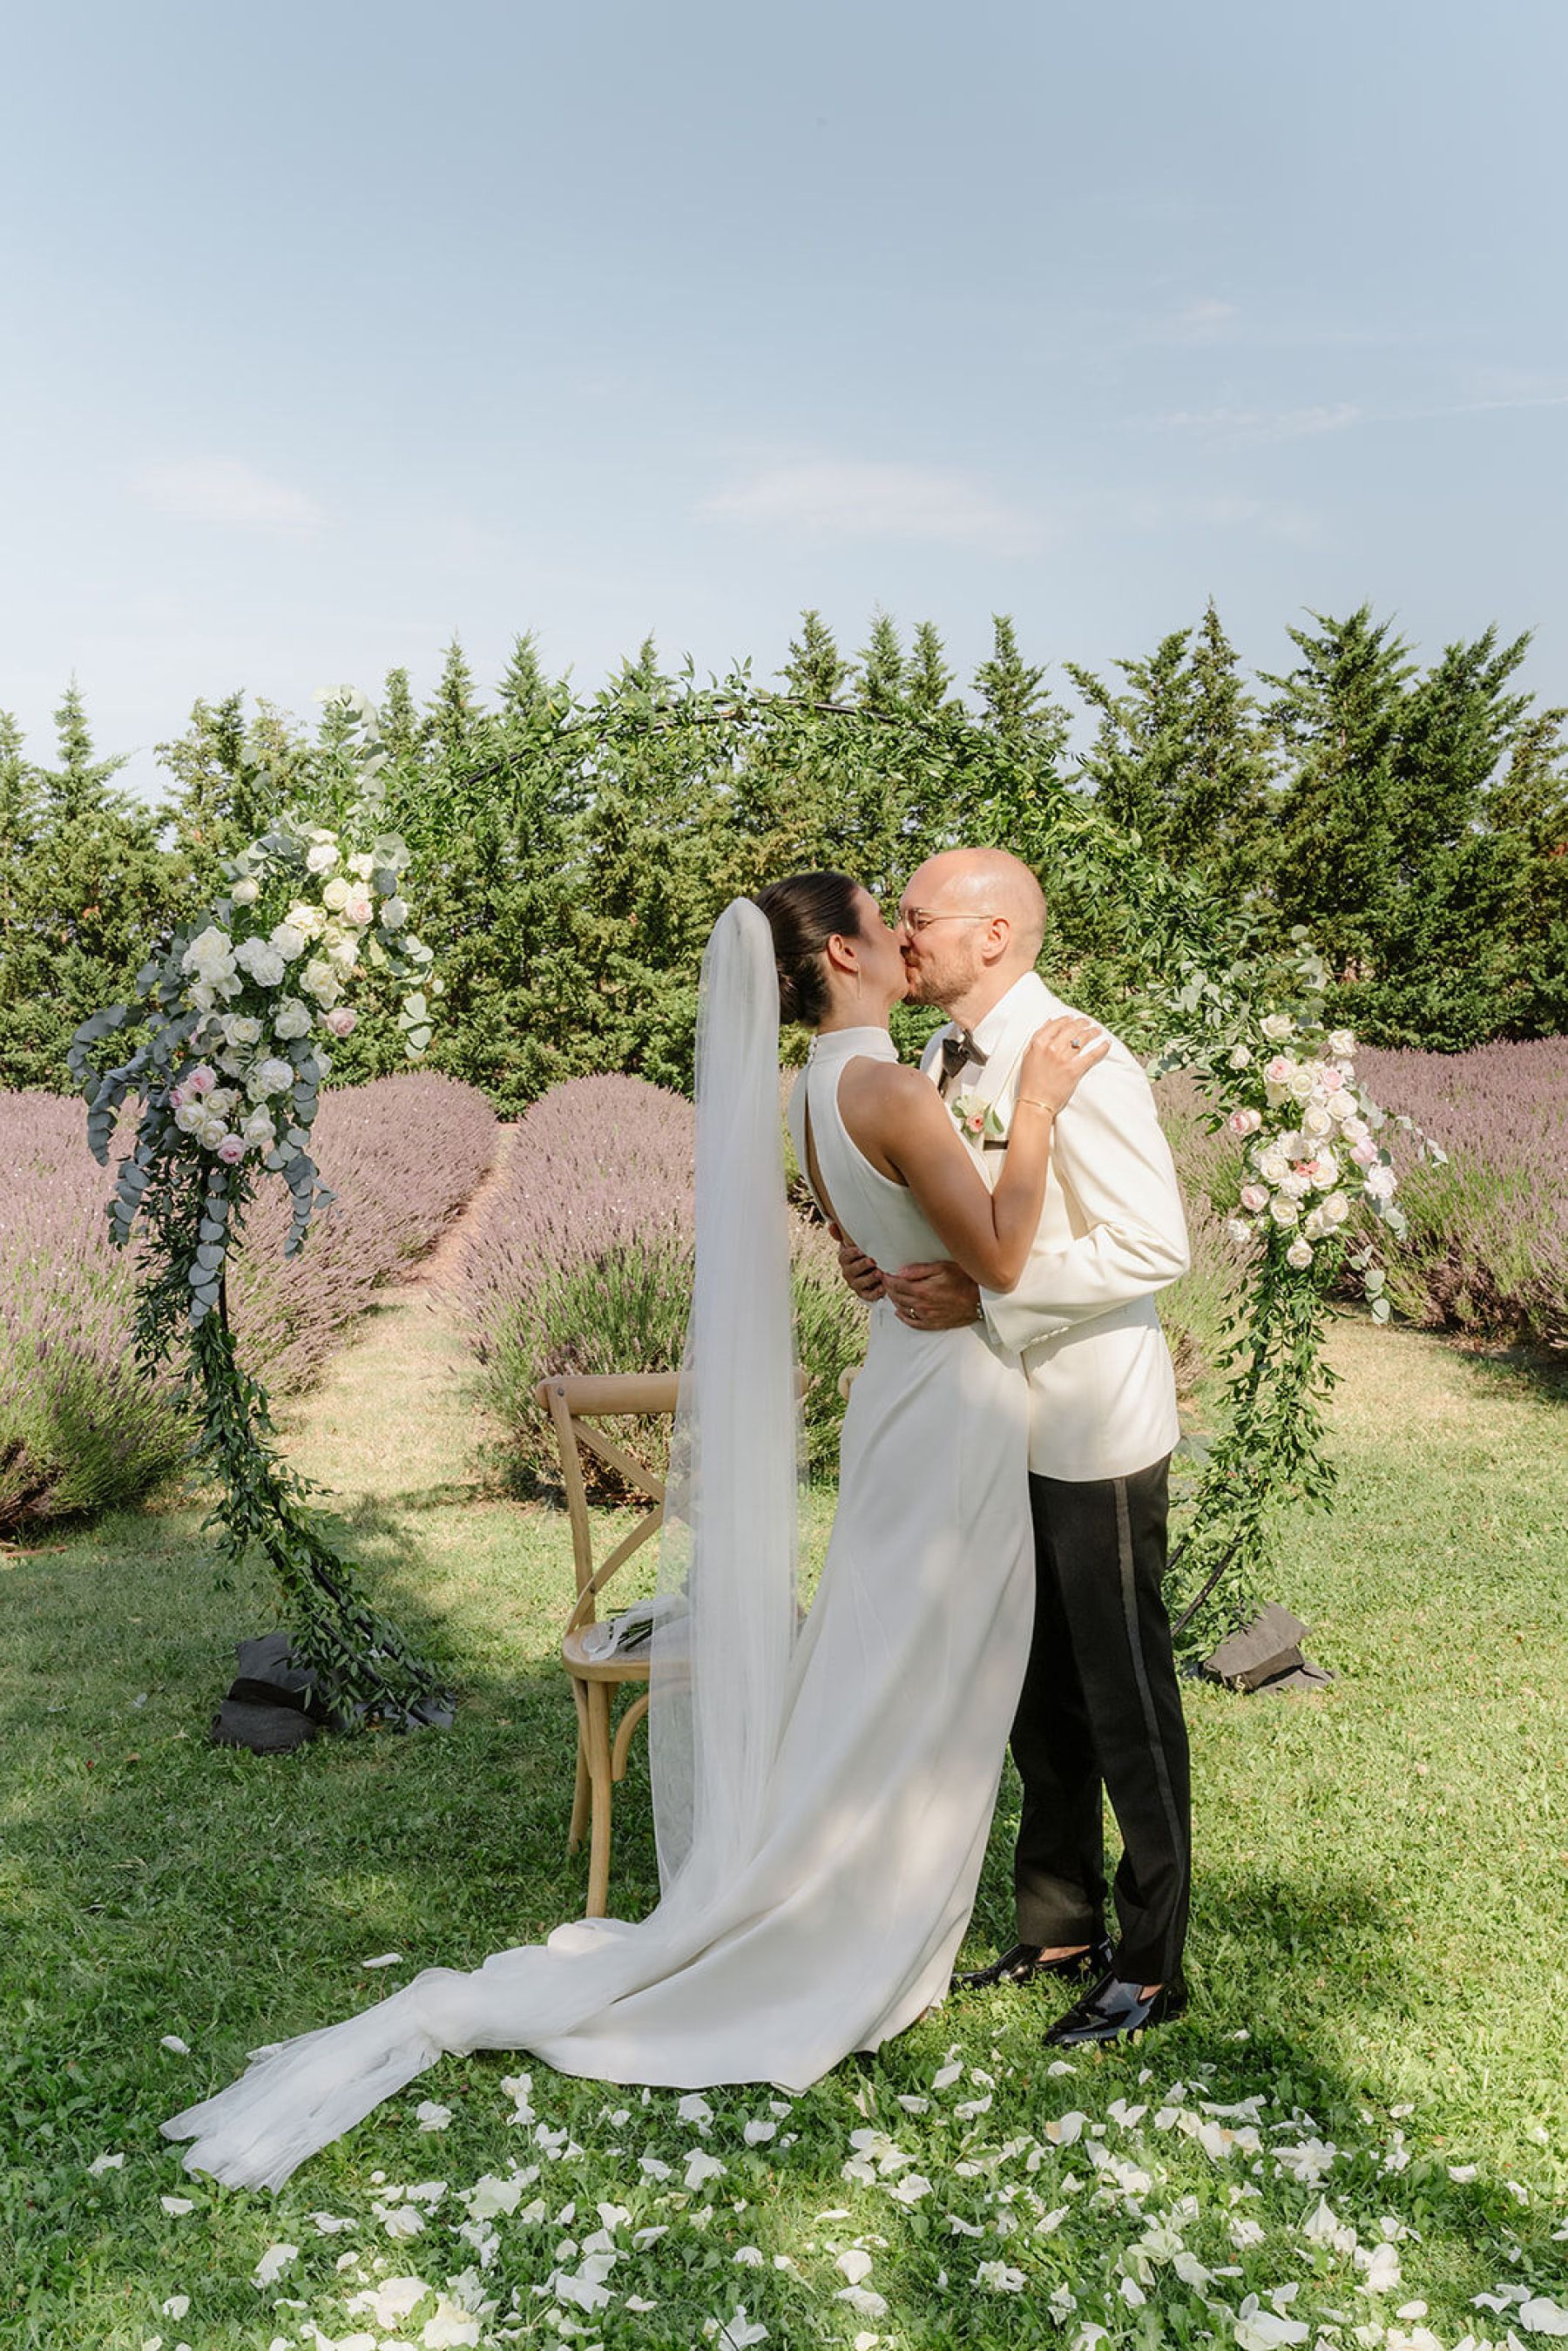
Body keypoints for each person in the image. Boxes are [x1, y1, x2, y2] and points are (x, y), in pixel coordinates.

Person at [162, 877, 1105, 2190]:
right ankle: (857, 1915)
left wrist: (886, 1258)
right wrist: (1039, 1108)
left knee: (887, 1651)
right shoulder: (891, 1088)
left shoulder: (811, 1092)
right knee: (924, 1658)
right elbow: (1000, 1260)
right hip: (949, 1399)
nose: (904, 933)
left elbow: (875, 1246)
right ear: (844, 954)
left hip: (903, 1379)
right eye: (881, 919)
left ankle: (860, 1882)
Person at [836, 847, 1193, 2048]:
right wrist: (888, 1262)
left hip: (1089, 1423)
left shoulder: (1080, 1055)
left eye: (921, 916)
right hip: (985, 1420)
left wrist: (989, 1293)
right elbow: (969, 1214)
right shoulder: (939, 1057)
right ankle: (1058, 1922)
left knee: (1123, 1694)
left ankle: (1152, 1961)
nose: (904, 936)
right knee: (1033, 1687)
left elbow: (1153, 1243)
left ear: (993, 934)